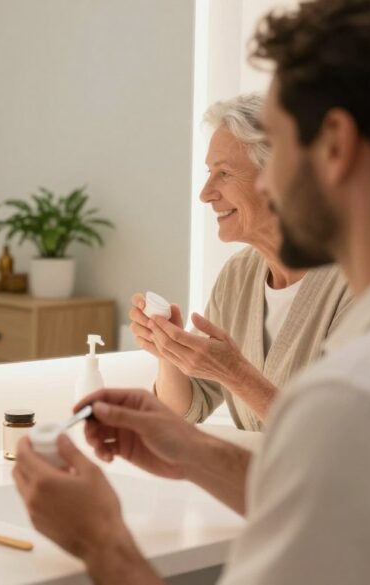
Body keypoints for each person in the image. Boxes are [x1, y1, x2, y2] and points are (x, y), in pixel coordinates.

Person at [14, 1, 370, 583]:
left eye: (277, 144)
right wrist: (192, 449)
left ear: (334, 145)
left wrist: (100, 539)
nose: (270, 181)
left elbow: (336, 451)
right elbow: (340, 500)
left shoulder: (356, 396)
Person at [129, 93, 350, 431]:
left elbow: (336, 437)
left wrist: (234, 373)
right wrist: (168, 351)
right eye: (209, 172)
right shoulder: (238, 276)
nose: (205, 192)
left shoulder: (354, 280)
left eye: (224, 173)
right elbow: (186, 411)